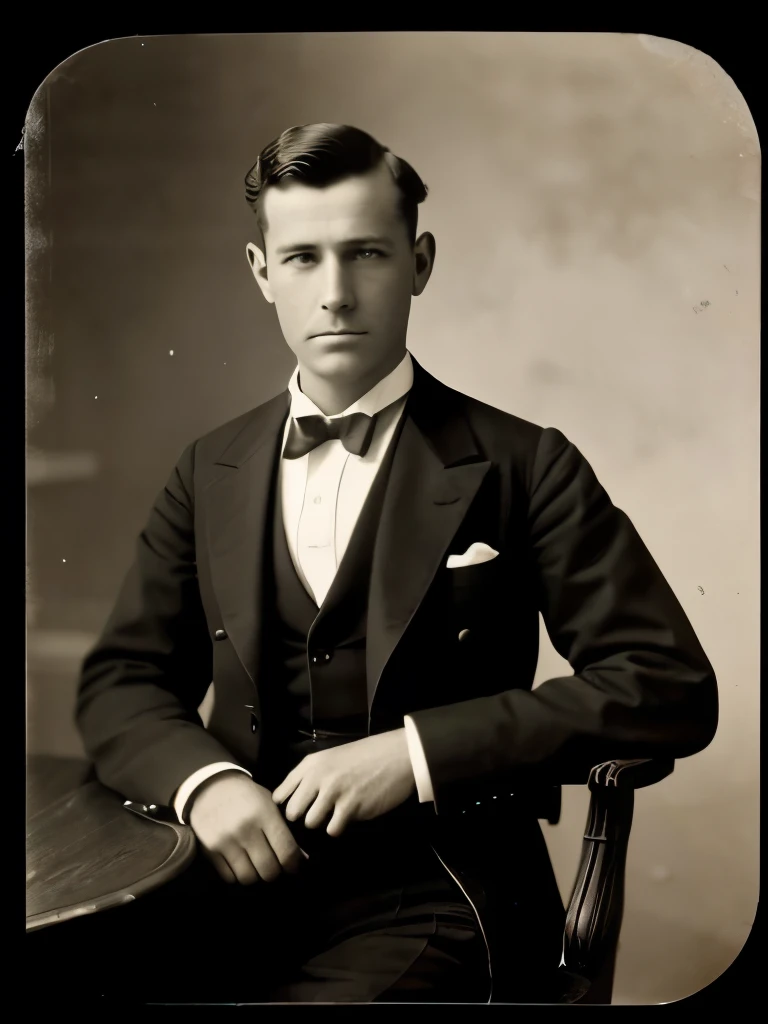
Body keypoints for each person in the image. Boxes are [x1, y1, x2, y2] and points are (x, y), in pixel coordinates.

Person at [75, 123, 718, 1004]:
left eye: (365, 254)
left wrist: (414, 757)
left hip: (441, 888)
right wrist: (207, 785)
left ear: (418, 263)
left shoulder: (524, 462)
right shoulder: (209, 467)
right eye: (302, 259)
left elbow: (666, 682)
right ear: (262, 272)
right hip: (225, 879)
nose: (335, 294)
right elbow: (122, 681)